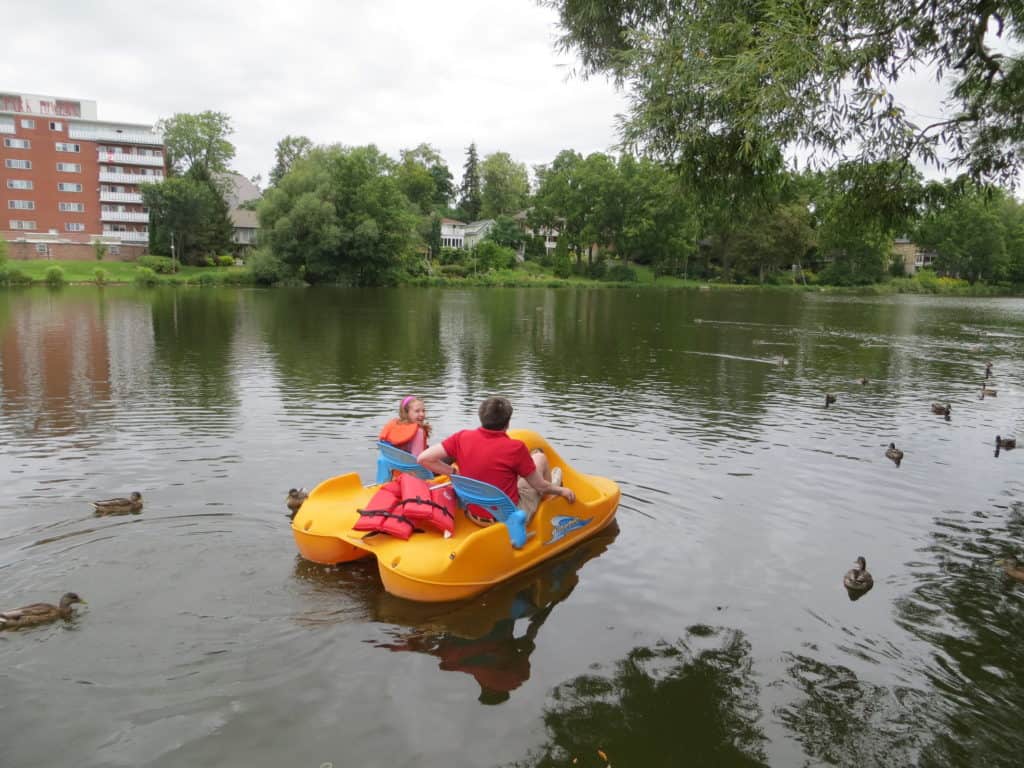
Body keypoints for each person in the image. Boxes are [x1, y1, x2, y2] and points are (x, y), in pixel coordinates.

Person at [417, 396, 574, 525]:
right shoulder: (515, 448)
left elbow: (423, 458)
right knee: (539, 459)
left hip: (472, 514)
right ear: (507, 423)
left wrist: (452, 472)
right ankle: (551, 498)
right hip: (506, 518)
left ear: (481, 417)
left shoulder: (461, 437)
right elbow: (538, 484)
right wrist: (563, 491)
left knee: (511, 473)